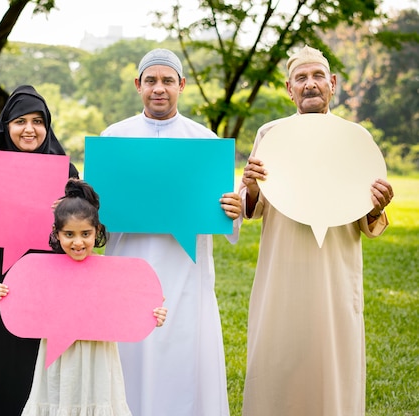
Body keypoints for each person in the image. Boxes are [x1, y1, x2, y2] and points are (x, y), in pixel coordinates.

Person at [239, 45, 395, 416]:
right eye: (301, 78)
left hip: (335, 276)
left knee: (333, 366)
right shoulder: (269, 134)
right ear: (289, 88)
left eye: (318, 76)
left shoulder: (356, 139)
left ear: (333, 83)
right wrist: (253, 186)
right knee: (278, 359)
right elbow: (252, 206)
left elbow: (369, 222)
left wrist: (377, 206)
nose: (310, 85)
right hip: (282, 273)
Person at [100, 48, 243, 416]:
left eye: (167, 81)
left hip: (186, 272)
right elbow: (95, 212)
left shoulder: (205, 141)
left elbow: (223, 214)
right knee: (129, 355)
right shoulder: (114, 138)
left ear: (181, 84)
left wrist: (233, 209)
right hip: (127, 268)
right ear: (138, 85)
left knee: (184, 354)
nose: (158, 88)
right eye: (151, 80)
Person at [0, 85, 80, 415]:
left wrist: (69, 210)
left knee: (35, 365)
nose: (29, 129)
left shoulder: (66, 174)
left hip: (45, 283)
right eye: (20, 121)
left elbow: (85, 236)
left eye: (38, 121)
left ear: (47, 127)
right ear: (6, 126)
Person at [0, 178, 168, 416]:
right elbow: (29, 301)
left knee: (96, 398)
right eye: (69, 234)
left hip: (98, 357)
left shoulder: (110, 271)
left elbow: (129, 306)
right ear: (57, 233)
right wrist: (7, 294)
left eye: (85, 233)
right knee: (60, 397)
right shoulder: (45, 271)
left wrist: (152, 313)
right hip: (58, 356)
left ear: (97, 231)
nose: (78, 242)